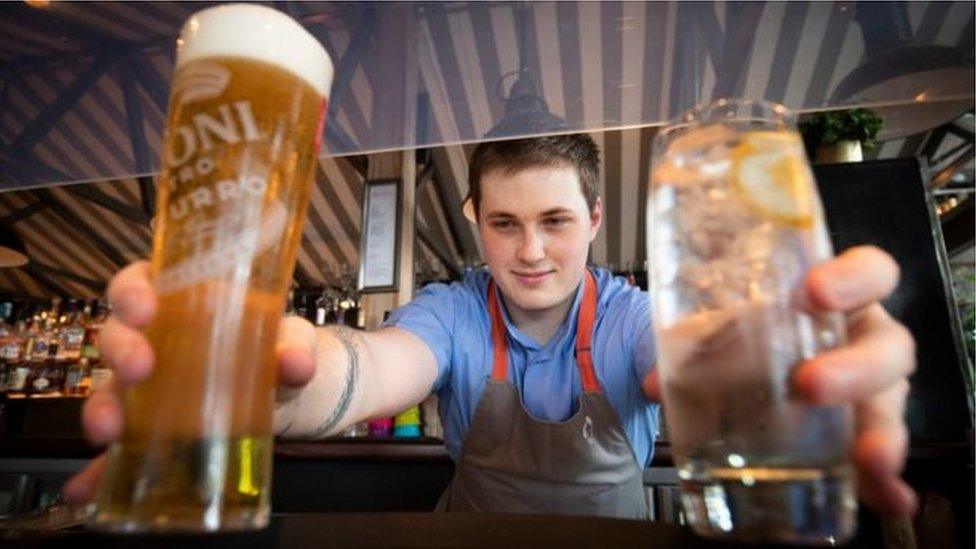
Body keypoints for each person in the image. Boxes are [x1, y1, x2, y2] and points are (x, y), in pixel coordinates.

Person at [64, 135, 917, 519]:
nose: (531, 251)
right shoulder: (456, 310)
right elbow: (368, 366)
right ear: (476, 220)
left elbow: (702, 355)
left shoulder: (629, 317)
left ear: (593, 217)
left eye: (553, 220)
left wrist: (785, 366)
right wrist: (267, 378)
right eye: (504, 223)